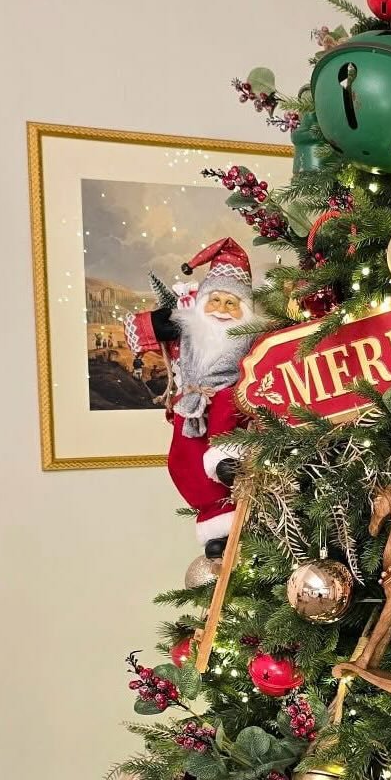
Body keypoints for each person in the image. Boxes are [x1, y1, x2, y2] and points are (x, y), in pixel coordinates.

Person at [125, 237, 257, 556]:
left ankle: (228, 459)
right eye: (215, 300)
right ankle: (216, 523)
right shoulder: (186, 329)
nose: (222, 309)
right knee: (182, 463)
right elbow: (134, 334)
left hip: (233, 407)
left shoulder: (254, 336)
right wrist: (156, 324)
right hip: (191, 408)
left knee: (226, 407)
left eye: (231, 303)